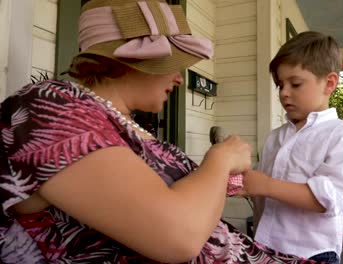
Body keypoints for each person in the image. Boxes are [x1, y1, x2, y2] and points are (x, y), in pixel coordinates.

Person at [0, 1, 318, 263]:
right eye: (173, 62)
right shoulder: (49, 106)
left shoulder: (122, 126)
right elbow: (177, 237)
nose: (180, 79)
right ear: (130, 58)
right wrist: (220, 161)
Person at [242, 31, 343, 263]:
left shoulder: (339, 135)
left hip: (312, 253)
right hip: (267, 246)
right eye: (280, 85)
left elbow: (327, 200)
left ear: (329, 83)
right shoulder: (276, 137)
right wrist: (243, 181)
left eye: (295, 83)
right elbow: (262, 185)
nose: (284, 92)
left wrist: (265, 185)